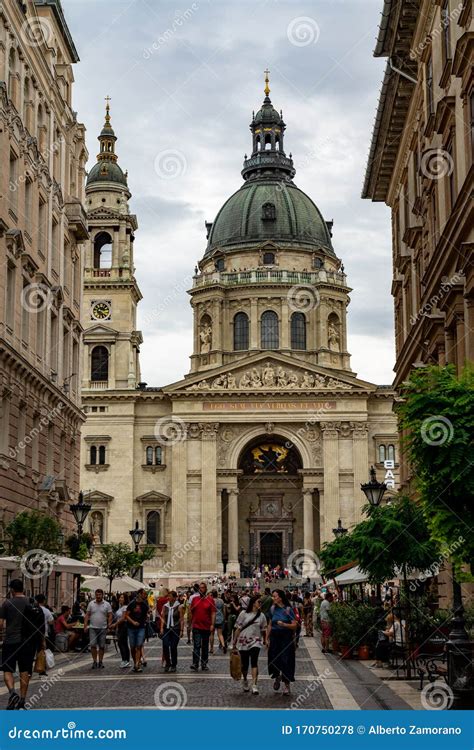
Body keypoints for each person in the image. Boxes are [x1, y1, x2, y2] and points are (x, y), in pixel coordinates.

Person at [0, 579, 40, 710]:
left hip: (10, 641)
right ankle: (22, 700)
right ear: (23, 588)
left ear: (12, 589)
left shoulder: (7, 603)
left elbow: (0, 625)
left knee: (7, 670)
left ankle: (12, 693)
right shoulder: (32, 602)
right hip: (28, 642)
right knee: (25, 671)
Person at [233, 594, 267, 694]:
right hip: (243, 642)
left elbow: (263, 630)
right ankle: (245, 679)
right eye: (259, 602)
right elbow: (238, 628)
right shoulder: (243, 614)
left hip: (255, 642)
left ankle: (254, 685)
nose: (260, 603)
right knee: (244, 665)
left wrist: (265, 640)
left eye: (261, 602)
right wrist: (234, 642)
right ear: (253, 603)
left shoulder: (262, 616)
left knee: (254, 662)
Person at [267, 589, 298, 696]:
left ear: (280, 597)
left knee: (286, 660)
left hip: (286, 638)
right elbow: (270, 625)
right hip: (274, 637)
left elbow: (295, 625)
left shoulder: (288, 609)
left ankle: (286, 685)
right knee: (274, 659)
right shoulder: (272, 609)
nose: (273, 598)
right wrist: (267, 638)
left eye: (274, 596)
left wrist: (285, 625)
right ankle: (277, 677)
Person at [190, 582, 216, 672]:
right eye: (200, 588)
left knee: (205, 646)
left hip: (206, 626)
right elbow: (191, 612)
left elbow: (213, 613)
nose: (201, 589)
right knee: (196, 645)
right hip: (196, 626)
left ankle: (204, 664)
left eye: (203, 588)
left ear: (206, 589)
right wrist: (190, 623)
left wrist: (212, 624)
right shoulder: (194, 599)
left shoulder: (210, 600)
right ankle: (195, 663)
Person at [84, 589, 113, 669]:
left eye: (100, 595)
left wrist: (109, 624)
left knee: (102, 646)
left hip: (103, 628)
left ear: (102, 595)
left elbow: (110, 615)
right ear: (95, 595)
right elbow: (87, 615)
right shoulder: (91, 604)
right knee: (93, 645)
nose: (98, 596)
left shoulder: (107, 604)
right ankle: (94, 661)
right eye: (97, 595)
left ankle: (100, 661)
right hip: (92, 627)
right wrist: (85, 625)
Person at [125, 588, 149, 672]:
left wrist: (145, 620)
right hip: (131, 628)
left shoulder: (145, 604)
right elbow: (126, 615)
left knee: (139, 645)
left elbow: (146, 614)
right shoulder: (132, 604)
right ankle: (135, 661)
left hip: (141, 628)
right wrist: (133, 622)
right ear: (139, 594)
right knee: (132, 647)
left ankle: (137, 665)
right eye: (144, 594)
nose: (145, 595)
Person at [160, 590, 184, 672]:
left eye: (170, 596)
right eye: (168, 596)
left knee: (173, 647)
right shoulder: (165, 606)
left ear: (174, 598)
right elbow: (163, 618)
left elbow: (181, 619)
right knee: (165, 645)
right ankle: (168, 663)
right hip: (166, 629)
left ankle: (174, 664)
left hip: (176, 629)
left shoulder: (179, 607)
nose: (168, 597)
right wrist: (161, 628)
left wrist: (181, 630)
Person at [112, 593, 130, 668]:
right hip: (120, 626)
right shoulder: (120, 607)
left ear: (125, 599)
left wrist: (115, 624)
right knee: (123, 643)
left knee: (121, 643)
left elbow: (123, 618)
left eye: (122, 598)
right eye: (120, 597)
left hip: (124, 626)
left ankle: (124, 660)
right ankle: (126, 660)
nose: (120, 599)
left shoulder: (125, 607)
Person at [210, 590, 226, 654]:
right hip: (220, 618)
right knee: (220, 634)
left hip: (213, 619)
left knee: (212, 634)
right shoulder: (221, 601)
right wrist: (224, 618)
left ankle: (211, 648)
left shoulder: (211, 601)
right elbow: (224, 610)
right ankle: (223, 645)